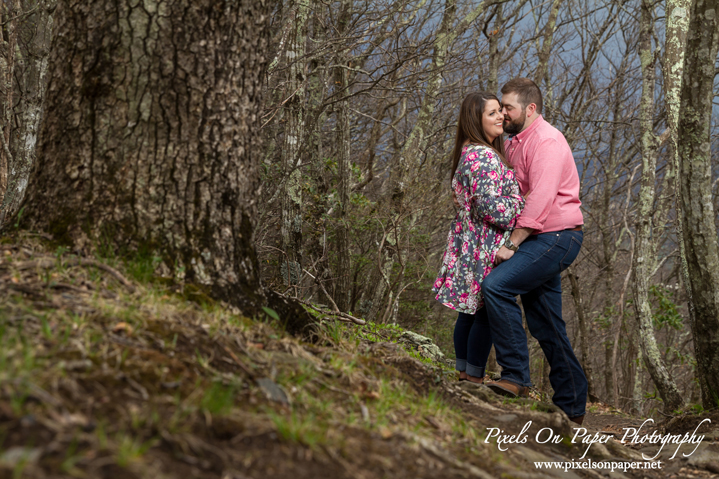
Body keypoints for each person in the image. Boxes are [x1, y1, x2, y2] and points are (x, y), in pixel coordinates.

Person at [482, 78, 587, 425]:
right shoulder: (514, 142)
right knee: (546, 323)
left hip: (557, 237)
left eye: (508, 107)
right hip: (539, 237)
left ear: (530, 109)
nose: (504, 114)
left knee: (497, 286)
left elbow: (540, 198)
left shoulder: (547, 141)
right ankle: (571, 407)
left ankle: (514, 378)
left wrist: (512, 243)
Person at [432, 92, 525, 384]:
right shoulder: (484, 156)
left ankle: (464, 372)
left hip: (470, 240)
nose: (501, 117)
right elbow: (491, 208)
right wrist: (520, 203)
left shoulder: (469, 151)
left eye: (500, 111)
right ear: (477, 120)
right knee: (485, 312)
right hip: (484, 243)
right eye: (492, 113)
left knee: (470, 311)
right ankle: (473, 378)